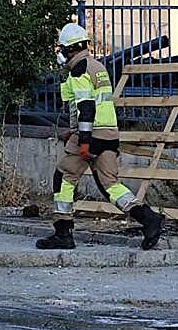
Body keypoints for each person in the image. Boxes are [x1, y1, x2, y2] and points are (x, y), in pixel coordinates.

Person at [36, 23, 164, 250]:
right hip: (109, 134)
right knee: (110, 185)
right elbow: (96, 104)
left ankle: (63, 233)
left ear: (69, 49)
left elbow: (86, 107)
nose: (61, 54)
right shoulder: (97, 66)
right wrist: (74, 130)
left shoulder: (78, 70)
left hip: (91, 134)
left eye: (63, 49)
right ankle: (149, 218)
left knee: (63, 177)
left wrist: (84, 141)